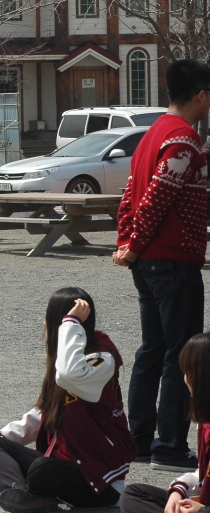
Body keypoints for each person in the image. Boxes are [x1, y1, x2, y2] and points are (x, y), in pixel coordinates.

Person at [113, 58, 210, 470]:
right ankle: (170, 447)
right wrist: (134, 244)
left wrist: (126, 243)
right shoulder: (183, 139)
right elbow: (158, 198)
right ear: (201, 95)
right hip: (173, 257)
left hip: (148, 261)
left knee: (152, 350)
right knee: (181, 353)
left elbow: (130, 196)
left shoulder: (152, 134)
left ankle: (139, 440)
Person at [0, 288, 135, 513]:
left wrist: (70, 322)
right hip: (65, 463)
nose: (43, 323)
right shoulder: (65, 360)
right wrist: (5, 444)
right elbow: (45, 411)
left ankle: (19, 489)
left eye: (48, 318)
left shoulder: (101, 358)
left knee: (42, 470)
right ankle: (16, 492)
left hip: (98, 483)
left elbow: (69, 375)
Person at [119, 332, 210, 513]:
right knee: (133, 494)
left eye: (189, 373)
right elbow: (202, 477)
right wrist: (178, 491)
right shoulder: (205, 423)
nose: (185, 380)